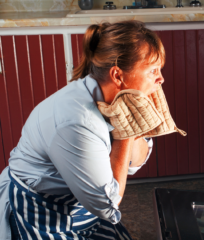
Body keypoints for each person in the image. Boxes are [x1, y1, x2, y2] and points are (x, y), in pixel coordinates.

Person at [0, 20, 165, 240]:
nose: (160, 79)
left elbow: (132, 164)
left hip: (79, 204)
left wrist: (132, 127)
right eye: (153, 70)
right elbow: (108, 205)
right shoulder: (78, 122)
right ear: (118, 76)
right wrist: (126, 134)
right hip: (39, 210)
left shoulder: (116, 103)